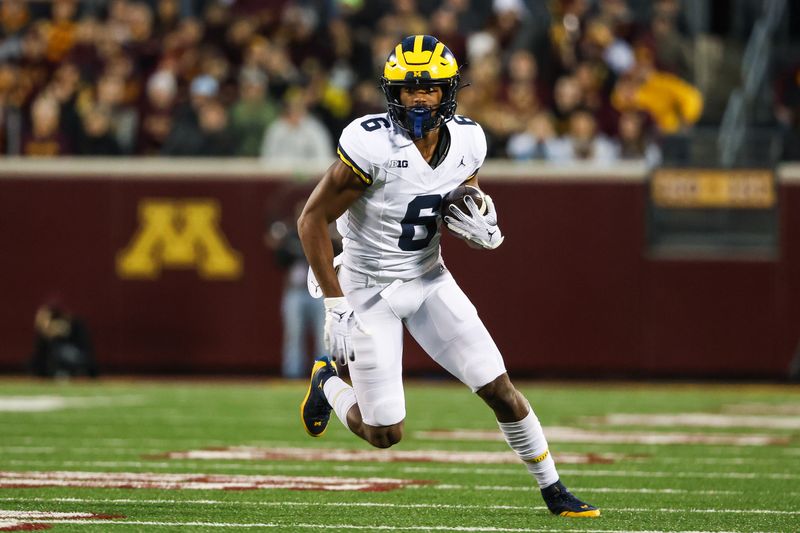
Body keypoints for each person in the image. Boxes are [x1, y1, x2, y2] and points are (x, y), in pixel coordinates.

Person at [297, 34, 599, 518]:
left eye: (430, 88)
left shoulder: (469, 141)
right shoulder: (370, 144)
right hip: (367, 287)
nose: (419, 98)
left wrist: (479, 221)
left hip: (429, 278)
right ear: (391, 92)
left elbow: (463, 195)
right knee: (384, 432)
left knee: (497, 386)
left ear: (448, 91)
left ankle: (554, 489)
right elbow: (311, 220)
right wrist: (336, 305)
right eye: (409, 88)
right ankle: (328, 381)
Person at [29, 302, 97, 378]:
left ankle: (68, 372)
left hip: (79, 357)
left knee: (59, 351)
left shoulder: (73, 323)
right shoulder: (46, 329)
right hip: (58, 360)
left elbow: (83, 348)